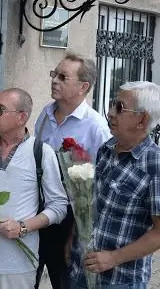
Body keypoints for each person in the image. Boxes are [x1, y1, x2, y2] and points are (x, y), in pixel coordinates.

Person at [0, 88, 68, 289]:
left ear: (21, 117)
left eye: (0, 109)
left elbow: (59, 207)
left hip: (17, 263)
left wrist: (23, 227)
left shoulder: (41, 153)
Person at [69, 81, 160, 289]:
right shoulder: (106, 149)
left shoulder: (154, 163)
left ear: (142, 119)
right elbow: (92, 206)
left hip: (121, 281)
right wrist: (72, 243)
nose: (110, 113)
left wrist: (114, 258)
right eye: (112, 104)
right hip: (82, 271)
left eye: (119, 107)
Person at [34, 52, 111, 289]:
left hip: (70, 219)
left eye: (62, 76)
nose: (54, 80)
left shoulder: (96, 127)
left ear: (83, 86)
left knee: (64, 281)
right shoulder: (46, 114)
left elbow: (101, 183)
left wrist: (78, 232)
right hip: (39, 210)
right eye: (54, 74)